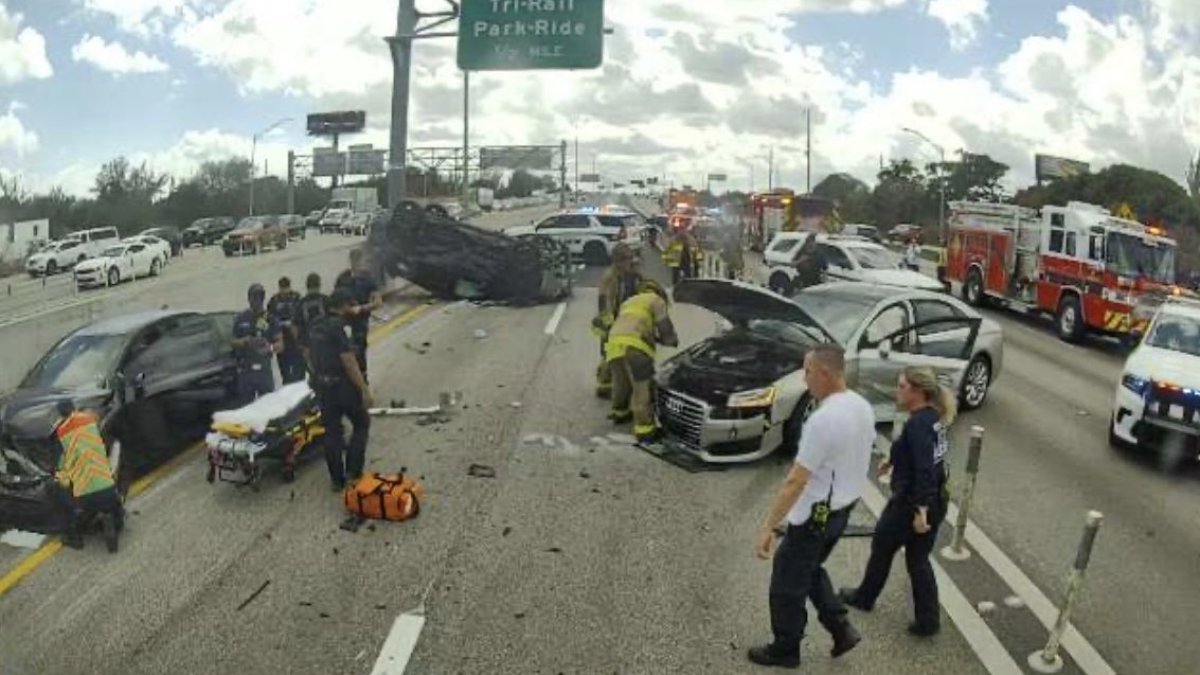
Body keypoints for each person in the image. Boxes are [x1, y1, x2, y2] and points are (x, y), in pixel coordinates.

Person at [748, 344, 872, 669]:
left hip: (817, 513)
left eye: (808, 372)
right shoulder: (861, 406)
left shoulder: (823, 420)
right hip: (842, 508)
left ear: (825, 374)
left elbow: (795, 481)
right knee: (810, 568)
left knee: (787, 581)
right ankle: (841, 628)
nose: (805, 380)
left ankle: (785, 649)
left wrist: (768, 526)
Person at [839, 366, 955, 637]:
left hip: (912, 503)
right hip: (935, 499)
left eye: (902, 386)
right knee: (918, 559)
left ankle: (864, 598)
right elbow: (922, 455)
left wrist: (921, 511)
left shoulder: (917, 424)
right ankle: (928, 621)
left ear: (918, 391)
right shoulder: (931, 418)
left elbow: (925, 469)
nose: (897, 390)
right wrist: (893, 459)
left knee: (883, 544)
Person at [308, 288, 374, 491]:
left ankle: (337, 480)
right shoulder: (339, 327)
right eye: (349, 305)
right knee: (361, 423)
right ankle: (353, 471)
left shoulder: (315, 325)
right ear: (343, 305)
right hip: (341, 385)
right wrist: (363, 389)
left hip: (322, 385)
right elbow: (348, 360)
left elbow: (307, 354)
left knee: (332, 432)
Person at [605, 280, 679, 444]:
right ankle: (645, 429)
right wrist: (671, 339)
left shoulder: (628, 302)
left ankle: (620, 412)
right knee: (642, 389)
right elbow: (666, 329)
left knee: (621, 382)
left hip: (613, 342)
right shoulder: (656, 300)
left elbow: (626, 324)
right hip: (635, 346)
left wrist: (655, 338)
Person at [52, 400, 124, 551]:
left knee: (74, 513)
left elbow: (63, 479)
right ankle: (112, 520)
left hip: (86, 498)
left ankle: (74, 539)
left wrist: (60, 480)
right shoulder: (91, 427)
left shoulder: (63, 440)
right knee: (116, 508)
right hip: (108, 490)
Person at [592, 244, 644, 399]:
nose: (631, 263)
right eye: (627, 260)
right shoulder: (610, 277)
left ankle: (621, 384)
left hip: (627, 319)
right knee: (609, 354)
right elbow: (603, 300)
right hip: (613, 321)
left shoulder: (633, 275)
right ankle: (605, 385)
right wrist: (609, 322)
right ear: (618, 261)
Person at [335, 249, 382, 382]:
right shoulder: (342, 278)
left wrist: (361, 308)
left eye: (357, 260)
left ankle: (362, 381)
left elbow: (378, 302)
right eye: (354, 260)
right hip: (344, 321)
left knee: (360, 353)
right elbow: (335, 300)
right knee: (344, 353)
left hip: (360, 322)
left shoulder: (367, 278)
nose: (356, 263)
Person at [232, 283, 283, 406]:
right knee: (245, 407)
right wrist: (245, 341)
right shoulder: (241, 318)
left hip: (263, 371)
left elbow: (280, 344)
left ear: (262, 299)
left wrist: (269, 348)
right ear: (248, 298)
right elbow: (232, 341)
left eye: (258, 297)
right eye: (253, 297)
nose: (255, 300)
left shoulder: (270, 319)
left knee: (267, 407)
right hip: (246, 371)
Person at [268, 276, 305, 385]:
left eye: (286, 288)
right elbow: (270, 318)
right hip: (282, 339)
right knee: (285, 372)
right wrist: (280, 324)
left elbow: (301, 315)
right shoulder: (274, 300)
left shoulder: (296, 297)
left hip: (295, 339)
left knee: (299, 370)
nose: (284, 291)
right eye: (282, 288)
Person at [294, 272, 330, 372]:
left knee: (314, 374)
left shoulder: (300, 304)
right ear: (319, 284)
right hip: (327, 342)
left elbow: (295, 327)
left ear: (306, 285)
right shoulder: (326, 300)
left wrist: (300, 344)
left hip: (309, 345)